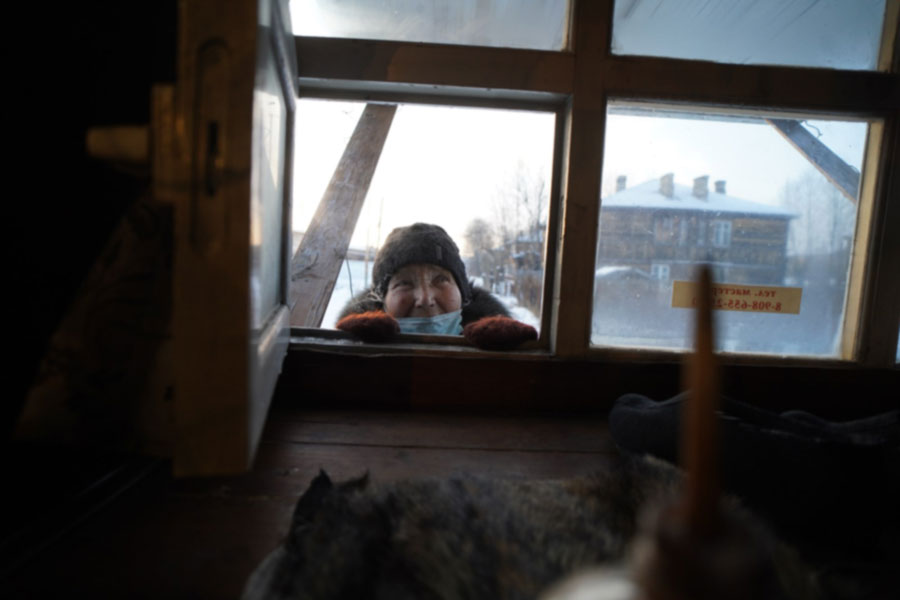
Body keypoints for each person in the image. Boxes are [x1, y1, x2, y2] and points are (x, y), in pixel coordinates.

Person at [336, 223, 537, 350]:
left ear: (463, 295)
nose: (425, 299)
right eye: (404, 283)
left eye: (440, 280)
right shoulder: (348, 351)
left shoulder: (496, 346)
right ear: (382, 300)